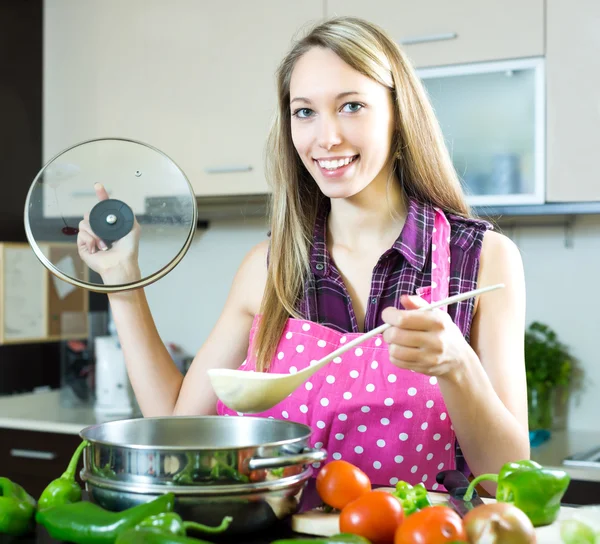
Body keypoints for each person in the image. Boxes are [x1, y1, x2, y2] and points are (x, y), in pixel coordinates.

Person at [77, 16, 529, 491]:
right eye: (305, 112)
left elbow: (509, 481)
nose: (326, 137)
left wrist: (457, 366)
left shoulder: (480, 260)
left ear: (399, 117)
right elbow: (175, 421)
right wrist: (119, 278)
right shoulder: (268, 268)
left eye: (351, 106)